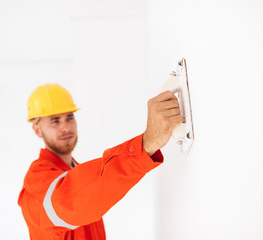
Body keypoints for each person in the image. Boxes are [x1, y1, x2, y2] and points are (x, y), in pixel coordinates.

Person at [18, 83, 184, 239]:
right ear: (37, 129)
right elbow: (70, 201)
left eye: (69, 117)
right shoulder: (36, 182)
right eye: (55, 121)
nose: (66, 127)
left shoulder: (78, 173)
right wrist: (146, 144)